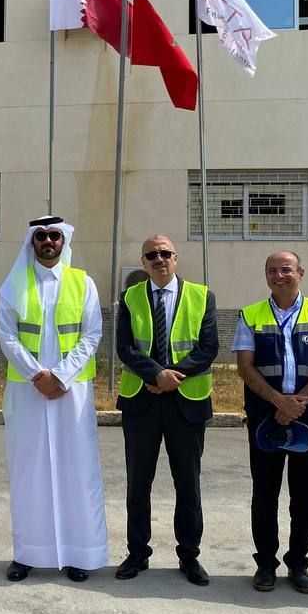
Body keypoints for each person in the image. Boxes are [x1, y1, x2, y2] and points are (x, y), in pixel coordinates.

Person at [0, 217, 107, 582]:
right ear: (32, 241)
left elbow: (91, 334)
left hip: (71, 392)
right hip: (27, 392)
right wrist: (37, 376)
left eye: (54, 236)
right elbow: (7, 336)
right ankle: (28, 554)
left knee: (77, 471)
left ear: (63, 241)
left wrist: (60, 376)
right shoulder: (14, 283)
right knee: (29, 472)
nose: (48, 241)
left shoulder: (82, 282)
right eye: (41, 236)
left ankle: (79, 554)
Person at [233, 251, 308, 594]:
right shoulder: (250, 315)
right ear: (265, 275)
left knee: (306, 495)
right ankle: (266, 562)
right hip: (265, 415)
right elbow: (245, 366)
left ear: (301, 273)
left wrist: (297, 404)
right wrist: (278, 401)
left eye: (286, 269)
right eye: (272, 270)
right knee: (265, 493)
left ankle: (298, 563)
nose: (279, 276)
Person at [115, 234, 218, 587]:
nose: (159, 259)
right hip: (141, 401)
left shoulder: (202, 296)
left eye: (165, 253)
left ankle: (189, 555)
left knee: (187, 484)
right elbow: (125, 347)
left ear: (176, 258)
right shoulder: (130, 297)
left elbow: (208, 347)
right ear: (143, 262)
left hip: (185, 402)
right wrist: (155, 374)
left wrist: (172, 377)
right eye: (151, 255)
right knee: (138, 483)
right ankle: (137, 553)